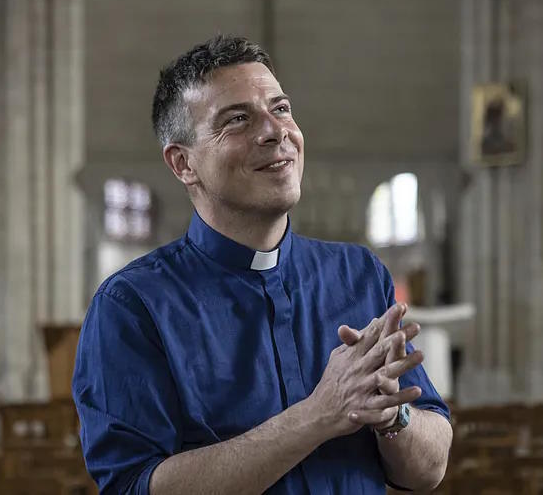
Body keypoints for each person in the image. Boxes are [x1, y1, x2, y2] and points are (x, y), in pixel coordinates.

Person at [73, 35, 452, 494]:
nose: (276, 131)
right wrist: (319, 413)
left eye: (282, 108)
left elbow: (429, 469)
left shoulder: (357, 274)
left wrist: (392, 414)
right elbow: (134, 487)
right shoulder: (131, 306)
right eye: (237, 119)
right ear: (183, 163)